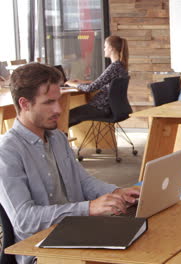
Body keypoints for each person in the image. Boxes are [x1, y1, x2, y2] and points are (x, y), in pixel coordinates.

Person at [0, 63, 140, 264]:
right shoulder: (7, 152)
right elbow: (24, 221)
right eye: (49, 102)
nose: (59, 109)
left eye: (58, 100)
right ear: (24, 104)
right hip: (41, 251)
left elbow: (83, 182)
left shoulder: (57, 137)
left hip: (78, 232)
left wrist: (116, 191)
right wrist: (88, 208)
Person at [66, 35, 129, 127]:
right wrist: (84, 82)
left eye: (105, 47)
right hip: (113, 108)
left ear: (111, 48)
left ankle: (58, 140)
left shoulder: (114, 67)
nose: (104, 49)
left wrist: (73, 84)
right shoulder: (121, 66)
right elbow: (106, 83)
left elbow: (90, 89)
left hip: (101, 108)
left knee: (65, 117)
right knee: (71, 117)